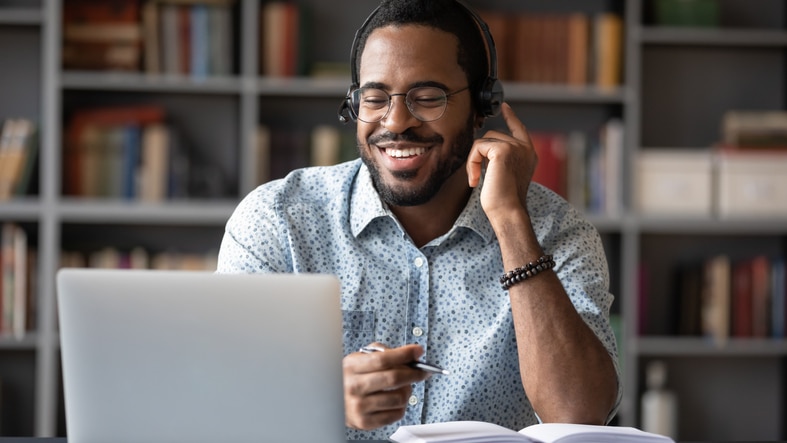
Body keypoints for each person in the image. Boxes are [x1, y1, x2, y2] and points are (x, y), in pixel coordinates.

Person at [217, 0, 621, 440]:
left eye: (428, 98)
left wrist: (510, 221)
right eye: (374, 99)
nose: (396, 122)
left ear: (482, 105)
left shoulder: (558, 230)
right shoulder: (278, 220)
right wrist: (319, 394)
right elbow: (218, 395)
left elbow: (580, 415)